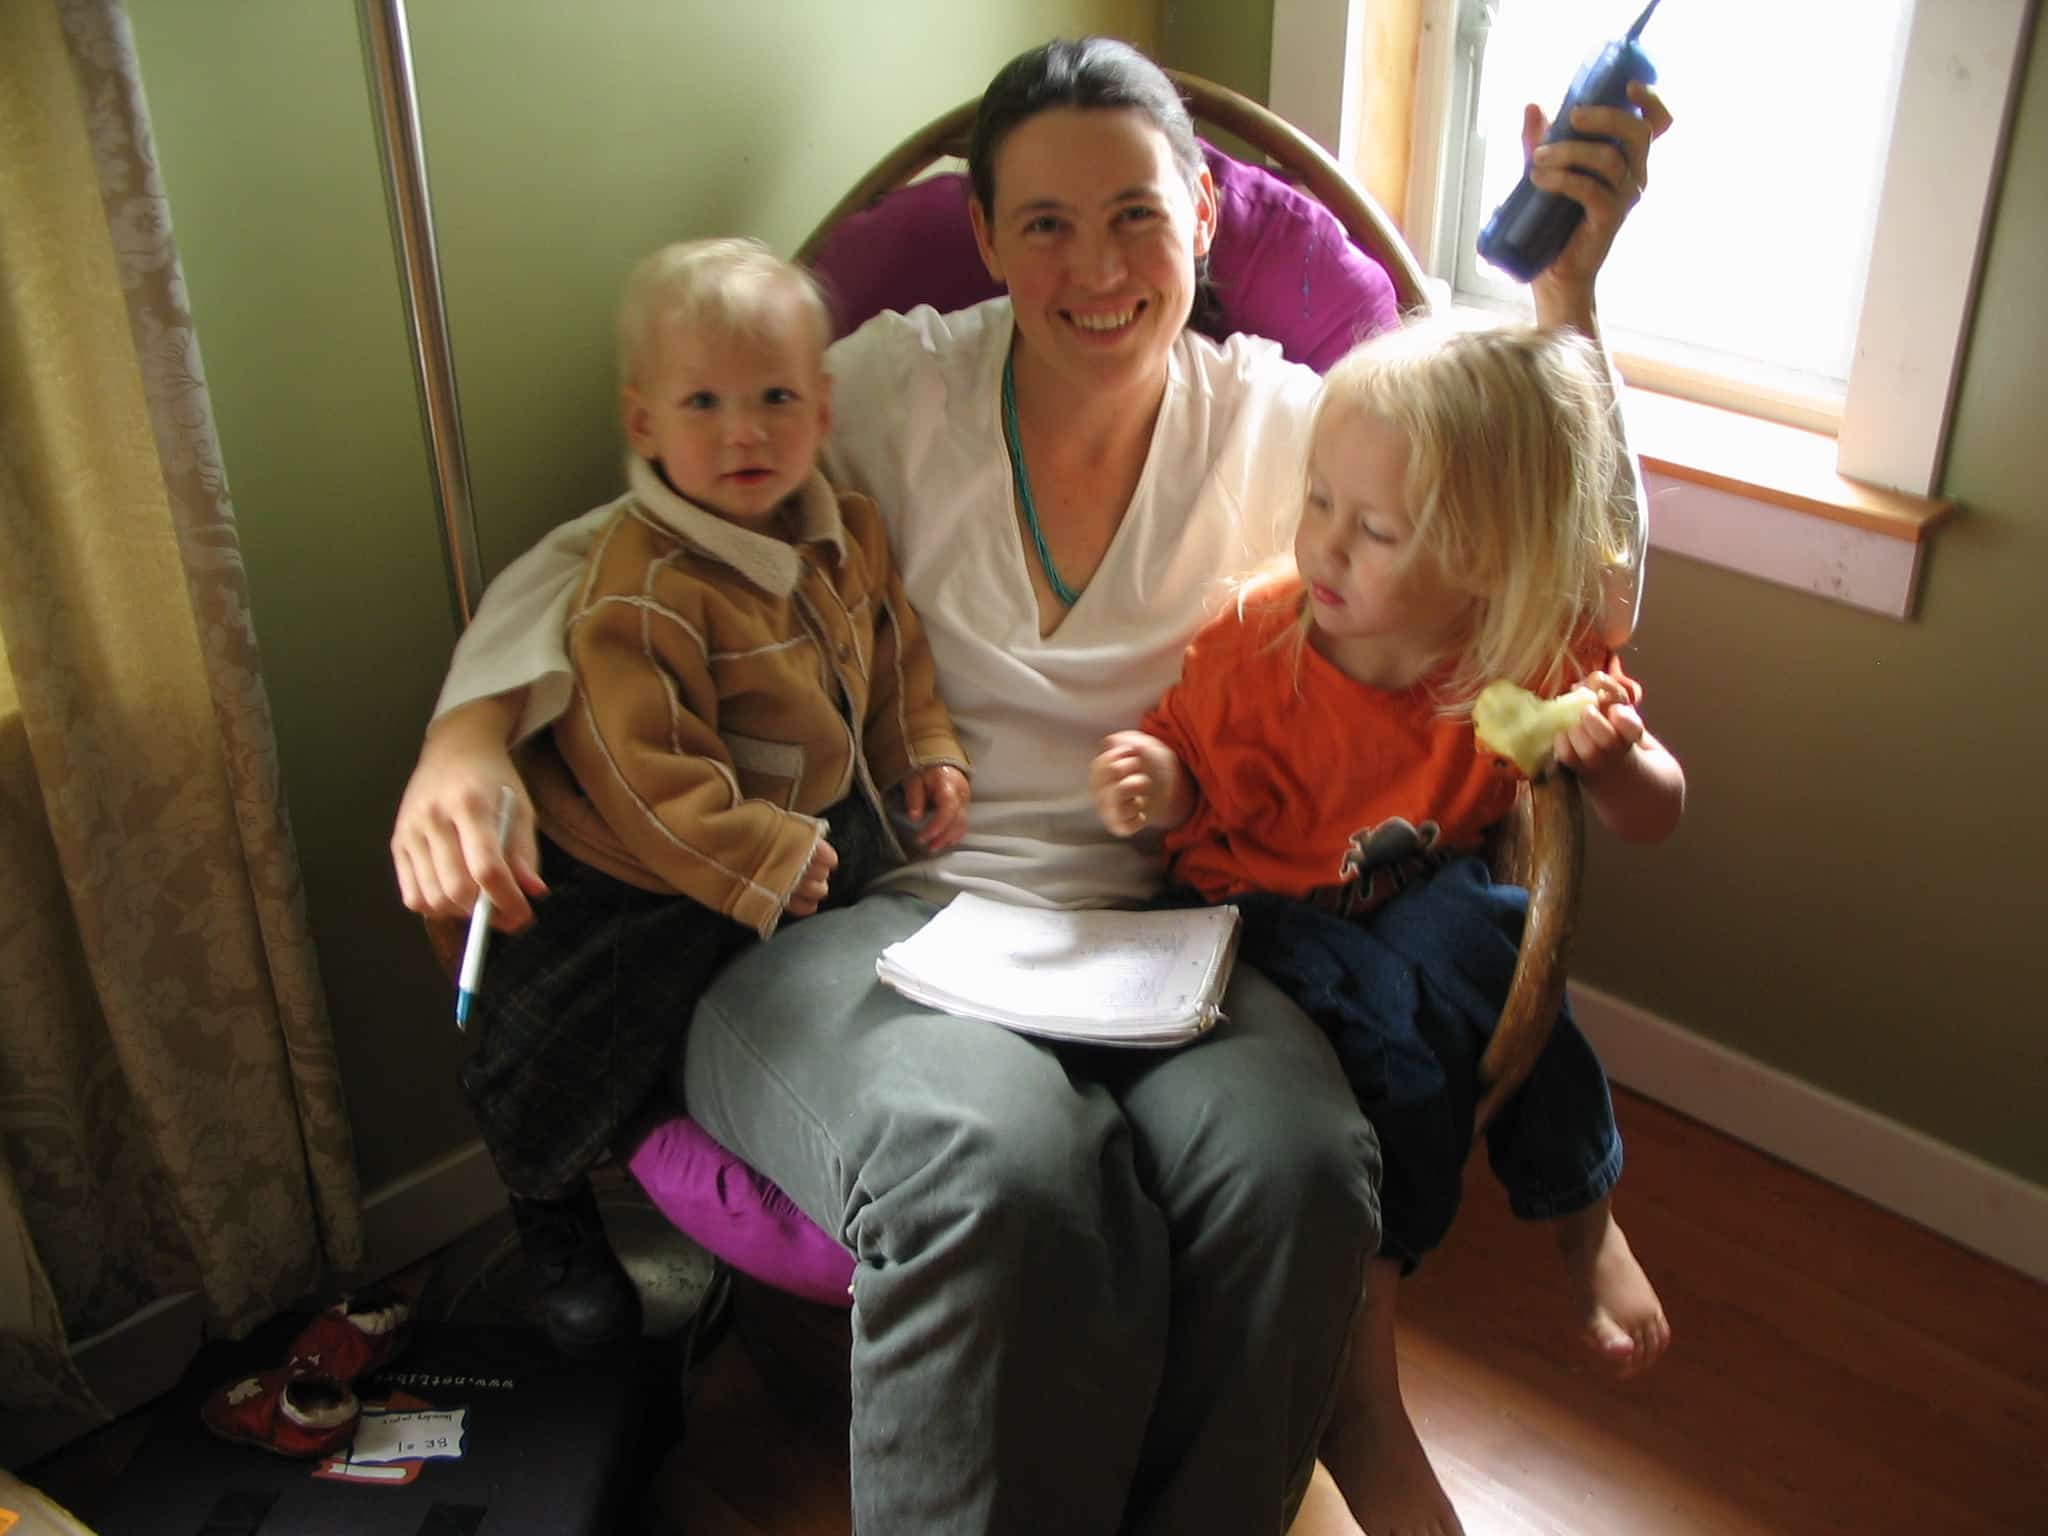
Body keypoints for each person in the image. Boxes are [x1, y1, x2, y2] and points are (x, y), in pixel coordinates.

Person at [389, 35, 1669, 1535]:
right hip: (854, 924)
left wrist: (1568, 301)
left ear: (1204, 216)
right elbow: (616, 547)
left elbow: (1557, 564)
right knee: (999, 1168)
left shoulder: (1288, 432)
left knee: (1303, 1168)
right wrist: (467, 736)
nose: (1096, 265)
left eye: (1136, 212)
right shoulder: (884, 390)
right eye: (1044, 224)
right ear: (987, 239)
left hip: (1165, 943)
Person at [1091, 319, 1685, 1536]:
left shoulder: (1500, 677)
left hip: (1400, 906)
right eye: (1317, 503)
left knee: (1498, 937)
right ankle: (1368, 1332)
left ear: (1477, 559)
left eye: (1373, 529)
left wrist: (1611, 756)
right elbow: (1187, 768)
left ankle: (1581, 1217)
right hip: (1248, 912)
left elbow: (1653, 817)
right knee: (1388, 1044)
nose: (1323, 546)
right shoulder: (1260, 647)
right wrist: (1153, 775)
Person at [459, 237, 970, 1359]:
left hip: (795, 834)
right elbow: (643, 777)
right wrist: (760, 857)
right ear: (643, 422)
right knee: (556, 1069)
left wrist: (918, 748)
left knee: (878, 987)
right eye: (705, 403)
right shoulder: (642, 593)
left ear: (821, 403)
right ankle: (550, 1219)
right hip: (635, 876)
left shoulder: (848, 529)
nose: (745, 431)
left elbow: (890, 658)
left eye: (775, 397)